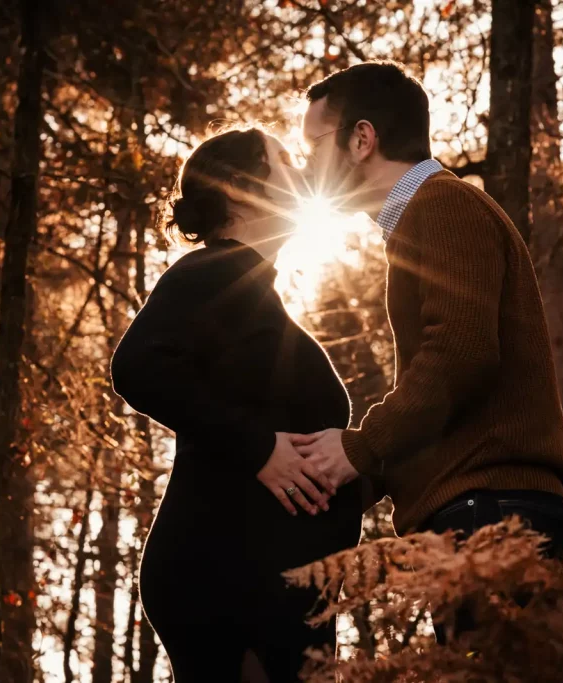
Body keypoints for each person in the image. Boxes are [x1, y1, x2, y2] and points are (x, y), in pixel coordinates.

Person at [294, 61, 563, 631]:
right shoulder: (420, 220)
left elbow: (461, 354)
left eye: (312, 144)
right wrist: (354, 479)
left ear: (361, 138)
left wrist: (362, 447)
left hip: (492, 510)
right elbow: (451, 391)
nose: (306, 165)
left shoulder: (444, 207)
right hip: (482, 507)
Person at [110, 127, 363, 681]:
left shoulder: (249, 288)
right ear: (238, 187)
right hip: (225, 575)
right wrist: (257, 448)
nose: (301, 175)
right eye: (286, 162)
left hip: (266, 583)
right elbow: (136, 367)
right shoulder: (211, 272)